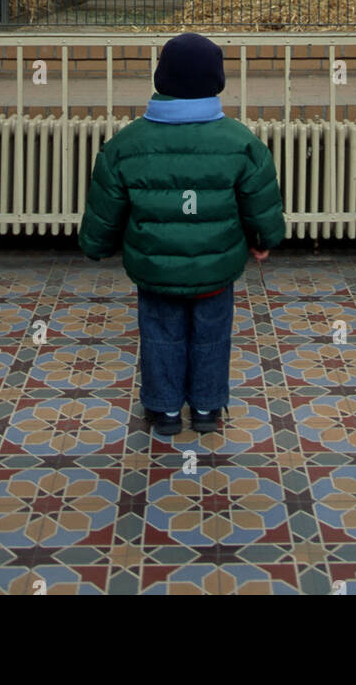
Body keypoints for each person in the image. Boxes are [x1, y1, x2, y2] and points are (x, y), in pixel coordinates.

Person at [78, 31, 285, 437]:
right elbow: (260, 203)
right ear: (217, 82)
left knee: (160, 336)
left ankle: (165, 410)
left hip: (155, 271)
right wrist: (263, 241)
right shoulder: (242, 143)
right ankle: (207, 409)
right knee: (211, 336)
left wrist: (97, 245)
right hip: (215, 270)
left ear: (161, 79)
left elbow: (105, 209)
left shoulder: (126, 145)